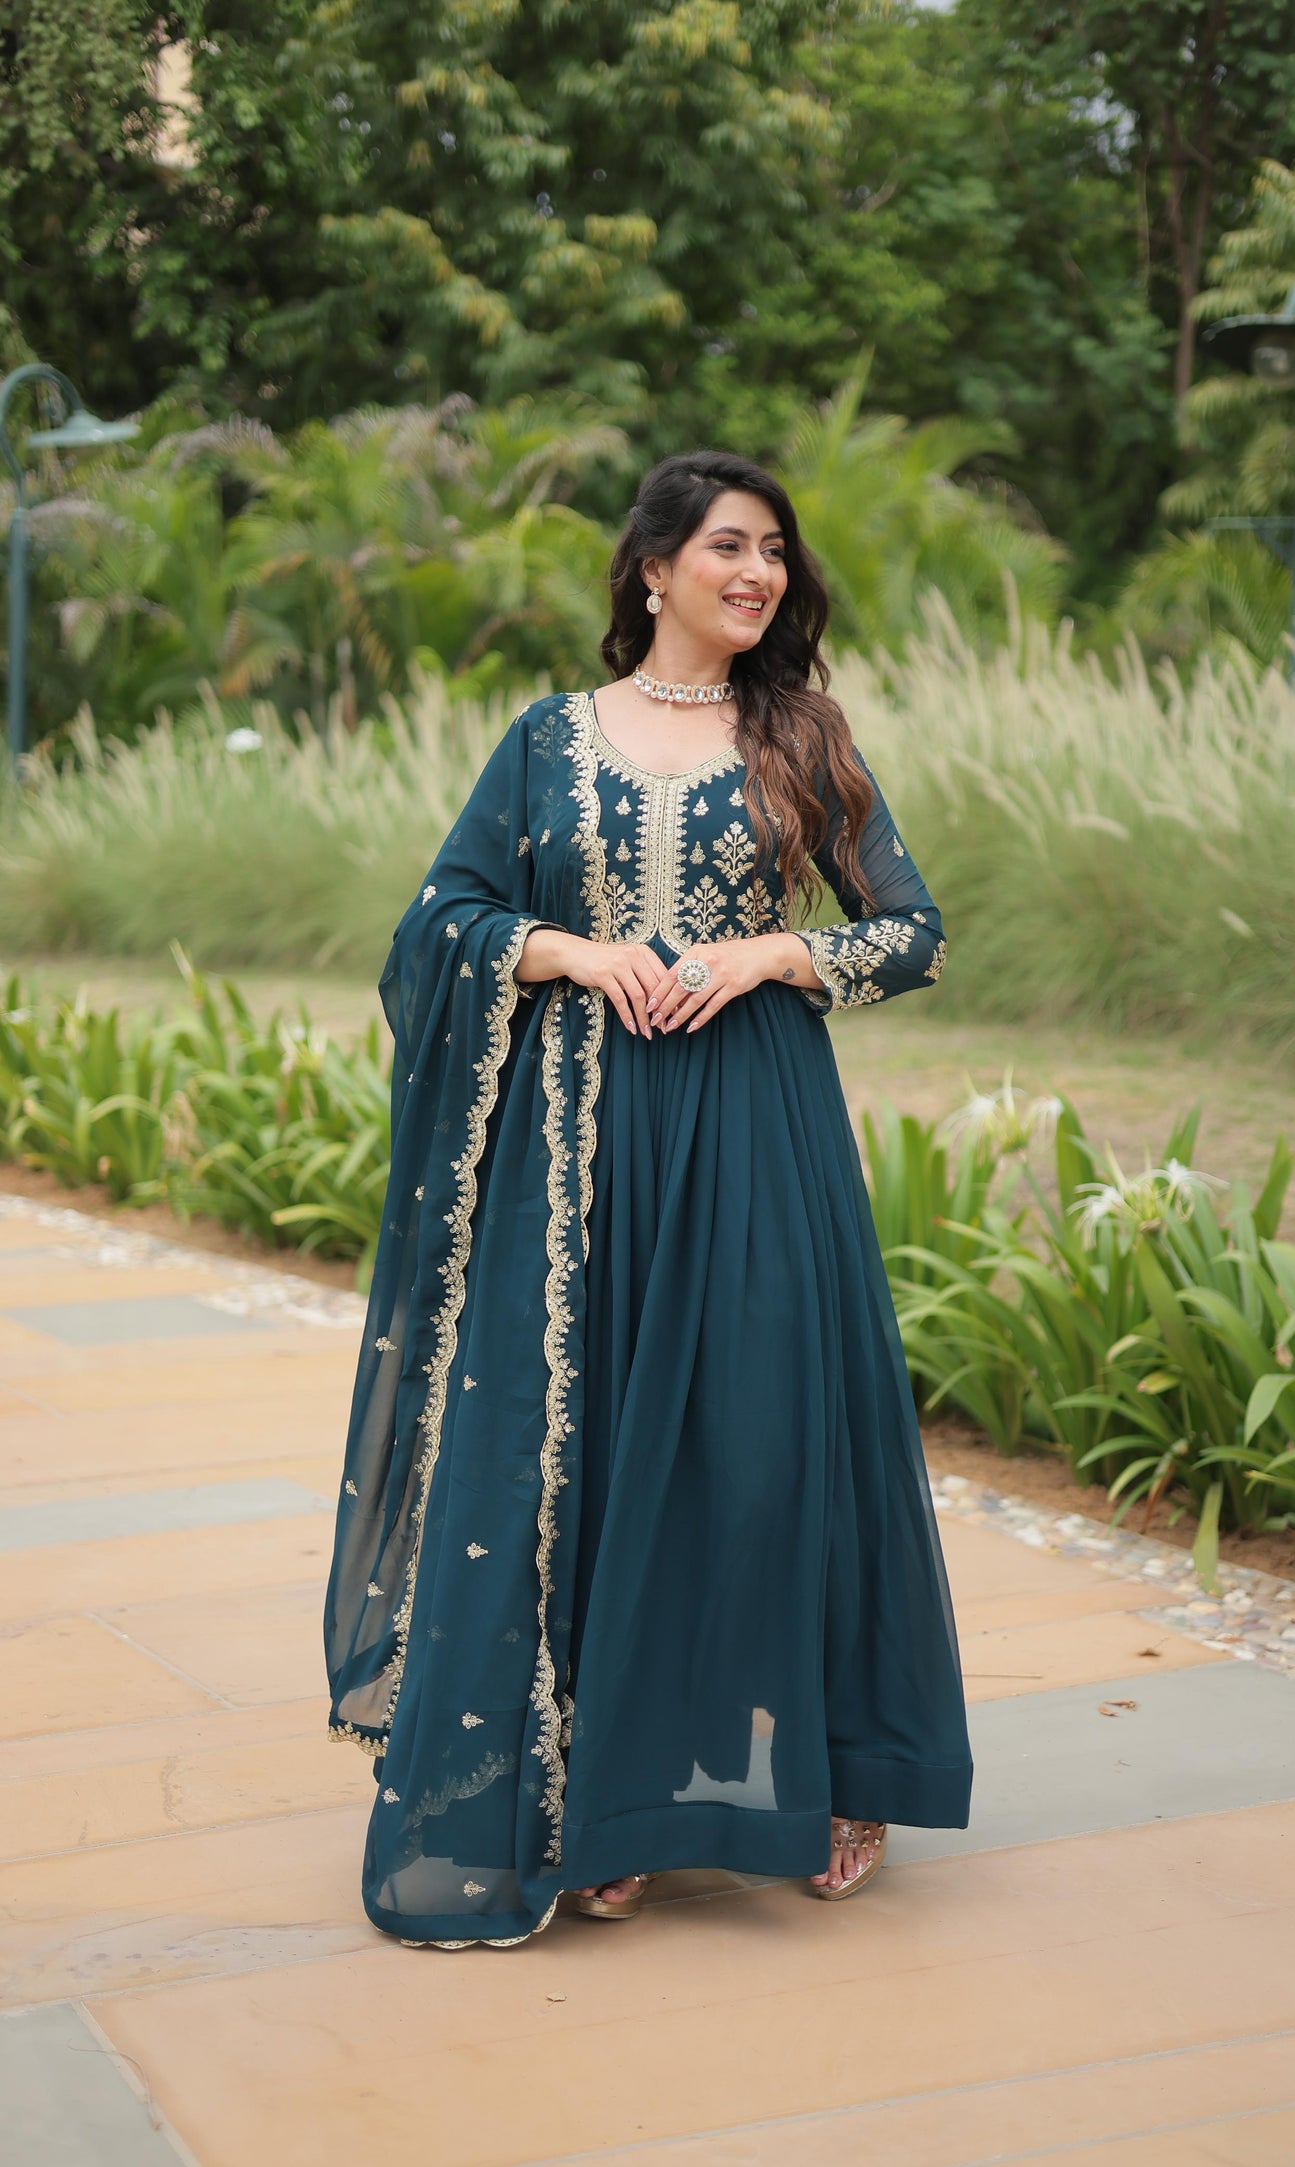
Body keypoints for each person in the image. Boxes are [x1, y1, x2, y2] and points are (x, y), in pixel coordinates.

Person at [324, 450, 973, 1947]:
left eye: (775, 555)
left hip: (755, 1128)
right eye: (730, 549)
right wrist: (563, 951)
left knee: (764, 1441)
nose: (759, 575)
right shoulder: (547, 740)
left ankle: (817, 1782)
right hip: (582, 1143)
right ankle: (604, 1802)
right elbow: (444, 920)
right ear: (652, 568)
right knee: (601, 1451)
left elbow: (915, 933)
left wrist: (766, 956)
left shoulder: (802, 733)